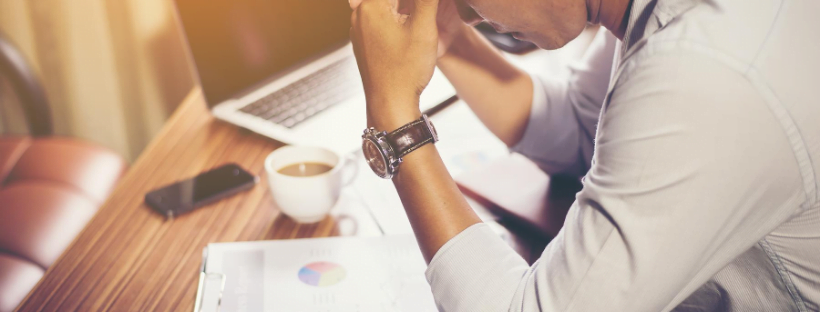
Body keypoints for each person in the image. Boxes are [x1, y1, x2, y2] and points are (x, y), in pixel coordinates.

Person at [348, 0, 820, 309]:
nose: (466, 11)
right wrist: (442, 36)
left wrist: (393, 114)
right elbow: (579, 127)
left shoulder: (706, 72)